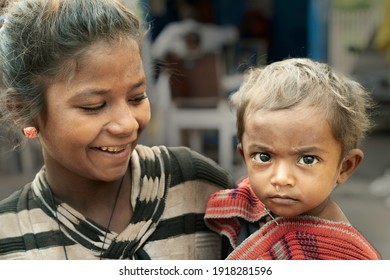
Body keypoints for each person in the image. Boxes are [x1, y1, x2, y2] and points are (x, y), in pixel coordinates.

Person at [0, 0, 236, 260]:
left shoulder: (198, 187)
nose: (127, 125)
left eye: (137, 97)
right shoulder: (8, 238)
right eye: (94, 106)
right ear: (23, 110)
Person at [204, 58, 381, 260]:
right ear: (245, 157)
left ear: (344, 167)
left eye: (307, 159)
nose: (280, 178)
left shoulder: (346, 257)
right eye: (264, 157)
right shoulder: (242, 205)